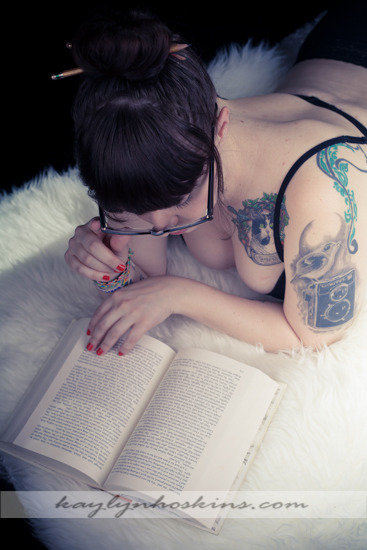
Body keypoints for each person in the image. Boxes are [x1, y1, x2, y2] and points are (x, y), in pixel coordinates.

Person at [64, 3, 367, 357]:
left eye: (182, 199)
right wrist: (107, 265)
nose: (160, 227)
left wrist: (180, 294)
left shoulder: (320, 188)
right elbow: (143, 275)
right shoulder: (133, 152)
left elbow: (314, 336)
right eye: (142, 211)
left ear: (220, 126)